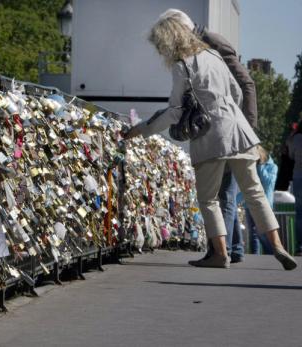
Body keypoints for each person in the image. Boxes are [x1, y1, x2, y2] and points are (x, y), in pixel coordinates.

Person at [124, 10, 297, 270]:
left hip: (211, 138)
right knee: (255, 193)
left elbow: (175, 111)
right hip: (239, 132)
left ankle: (220, 254)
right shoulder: (214, 55)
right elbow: (238, 92)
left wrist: (144, 129)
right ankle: (279, 246)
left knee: (209, 199)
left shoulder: (182, 65)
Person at [171, 9, 257, 263]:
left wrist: (248, 129)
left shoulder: (212, 44)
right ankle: (234, 249)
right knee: (226, 192)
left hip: (229, 130)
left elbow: (245, 84)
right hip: (229, 127)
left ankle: (219, 252)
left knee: (222, 194)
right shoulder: (205, 43)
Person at [243, 146, 276, 255]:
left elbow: (268, 183)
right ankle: (255, 255)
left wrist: (261, 166)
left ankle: (270, 253)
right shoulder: (252, 166)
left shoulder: (272, 167)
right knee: (252, 233)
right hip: (249, 203)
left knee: (262, 232)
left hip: (264, 204)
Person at [287, 120, 302, 255]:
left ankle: (300, 247)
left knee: (300, 213)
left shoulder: (295, 138)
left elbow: (290, 155)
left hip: (298, 176)